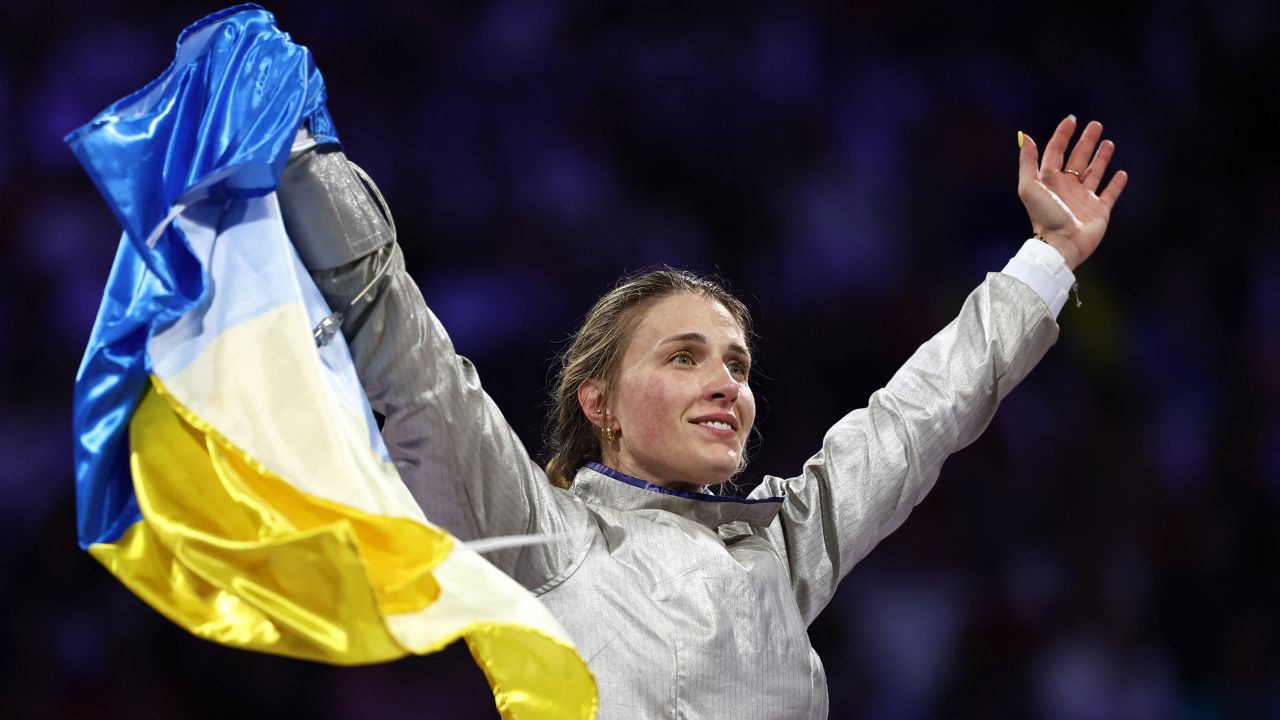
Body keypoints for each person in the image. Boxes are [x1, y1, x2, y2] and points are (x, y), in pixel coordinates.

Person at [277, 116, 1126, 719]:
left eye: (737, 364)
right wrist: (302, 151)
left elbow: (924, 411)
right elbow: (417, 369)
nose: (725, 382)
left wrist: (1046, 259)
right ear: (598, 402)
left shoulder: (786, 544)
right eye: (682, 357)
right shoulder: (545, 537)